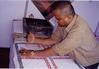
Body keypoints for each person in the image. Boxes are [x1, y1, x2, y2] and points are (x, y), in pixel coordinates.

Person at [24, 1, 99, 69]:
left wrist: (32, 53)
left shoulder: (79, 30)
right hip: (76, 56)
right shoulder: (64, 22)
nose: (57, 22)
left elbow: (55, 50)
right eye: (56, 19)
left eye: (59, 19)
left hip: (89, 62)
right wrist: (35, 40)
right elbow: (54, 40)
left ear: (69, 17)